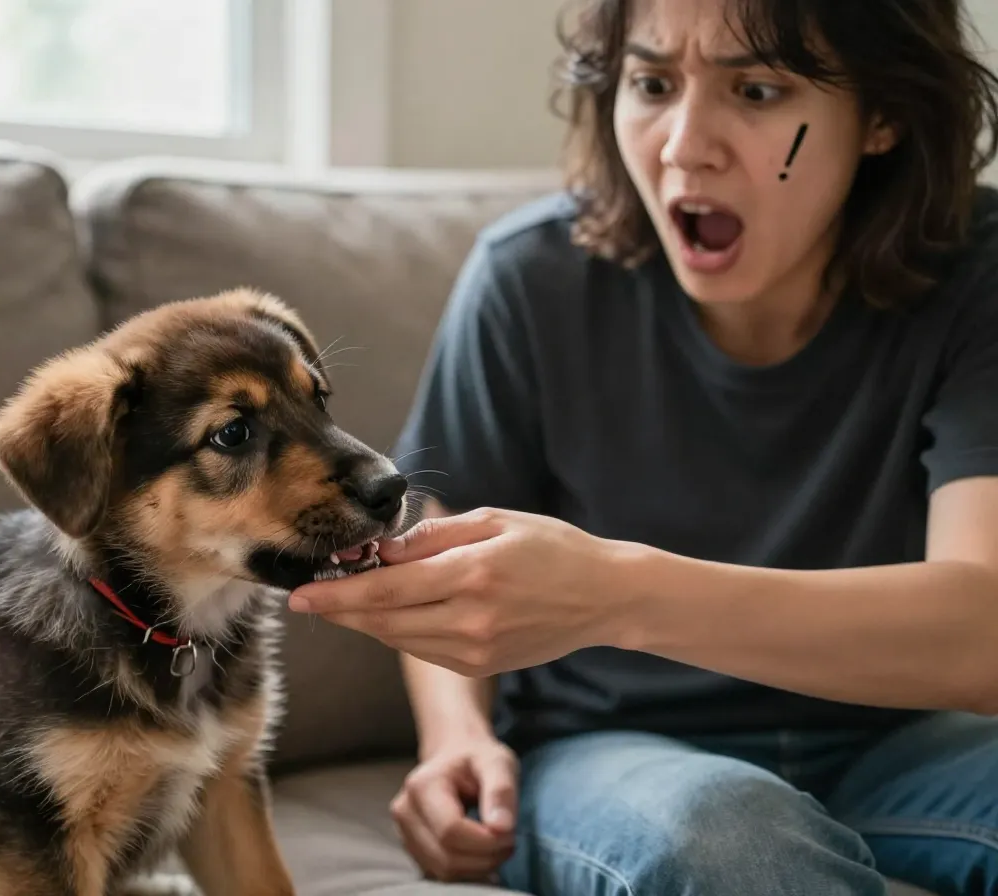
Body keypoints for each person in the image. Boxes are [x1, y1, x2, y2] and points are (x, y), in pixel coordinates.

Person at [287, 0, 998, 892]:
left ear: (886, 114)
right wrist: (458, 741)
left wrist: (617, 593)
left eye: (759, 89)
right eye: (653, 83)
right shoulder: (528, 279)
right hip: (618, 751)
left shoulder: (980, 273)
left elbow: (984, 633)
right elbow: (442, 536)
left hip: (901, 734)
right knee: (733, 843)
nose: (683, 144)